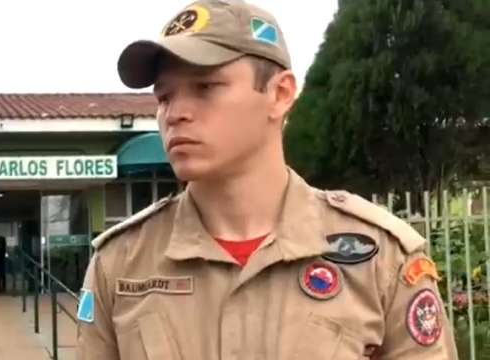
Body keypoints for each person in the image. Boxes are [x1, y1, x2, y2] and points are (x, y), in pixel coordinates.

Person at [76, 0, 458, 358]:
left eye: (205, 87)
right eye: (164, 97)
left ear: (280, 94)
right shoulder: (120, 264)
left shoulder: (382, 260)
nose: (175, 114)